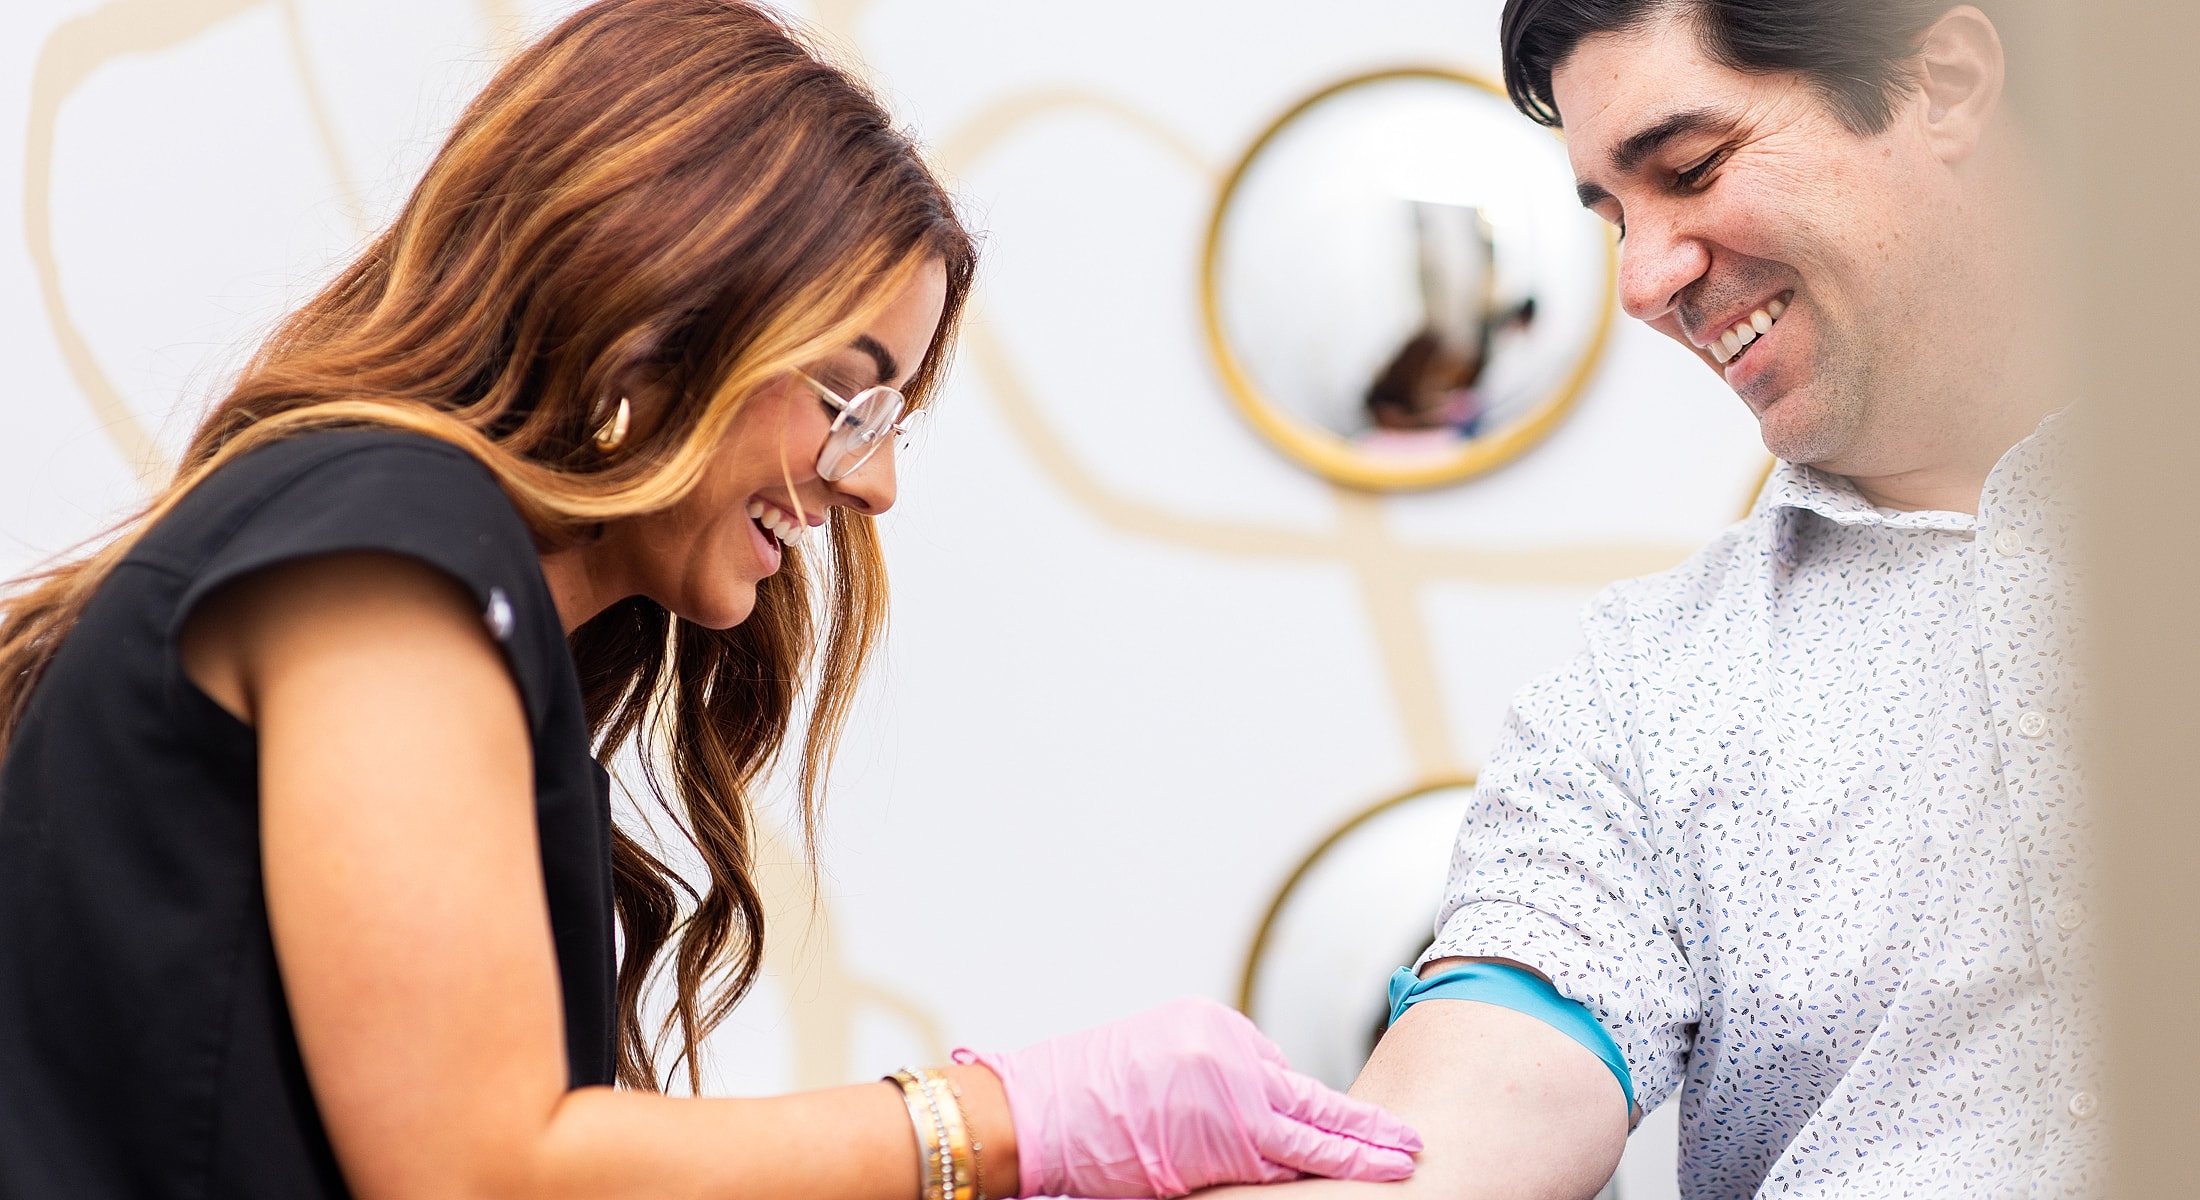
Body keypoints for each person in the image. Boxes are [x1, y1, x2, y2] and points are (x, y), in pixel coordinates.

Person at [0, 4, 1425, 1197]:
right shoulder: (388, 551)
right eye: (849, 395)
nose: (870, 491)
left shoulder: (415, 564)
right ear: (654, 305)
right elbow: (475, 1169)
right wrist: (998, 1123)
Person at [1204, 2, 2086, 1198]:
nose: (1643, 279)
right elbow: (1463, 1122)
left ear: (1942, 83)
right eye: (1617, 214)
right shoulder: (1644, 692)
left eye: (1691, 168)